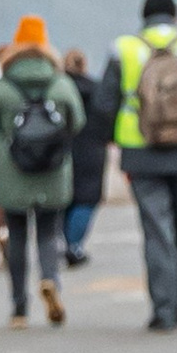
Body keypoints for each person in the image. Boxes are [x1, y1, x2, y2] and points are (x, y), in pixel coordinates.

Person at [100, 0, 177, 334]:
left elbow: (105, 104)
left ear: (144, 16)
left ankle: (163, 309)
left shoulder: (124, 48)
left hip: (141, 152)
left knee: (157, 231)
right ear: (174, 16)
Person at [0, 19, 85, 327]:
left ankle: (19, 308)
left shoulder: (2, 86)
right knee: (49, 232)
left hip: (12, 171)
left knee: (18, 236)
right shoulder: (60, 83)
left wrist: (8, 129)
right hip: (52, 169)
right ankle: (50, 280)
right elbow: (77, 122)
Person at [61, 47, 115, 265]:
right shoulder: (97, 90)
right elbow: (108, 120)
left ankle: (60, 241)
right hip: (92, 151)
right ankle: (74, 245)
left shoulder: (58, 90)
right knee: (86, 200)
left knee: (63, 199)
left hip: (62, 151)